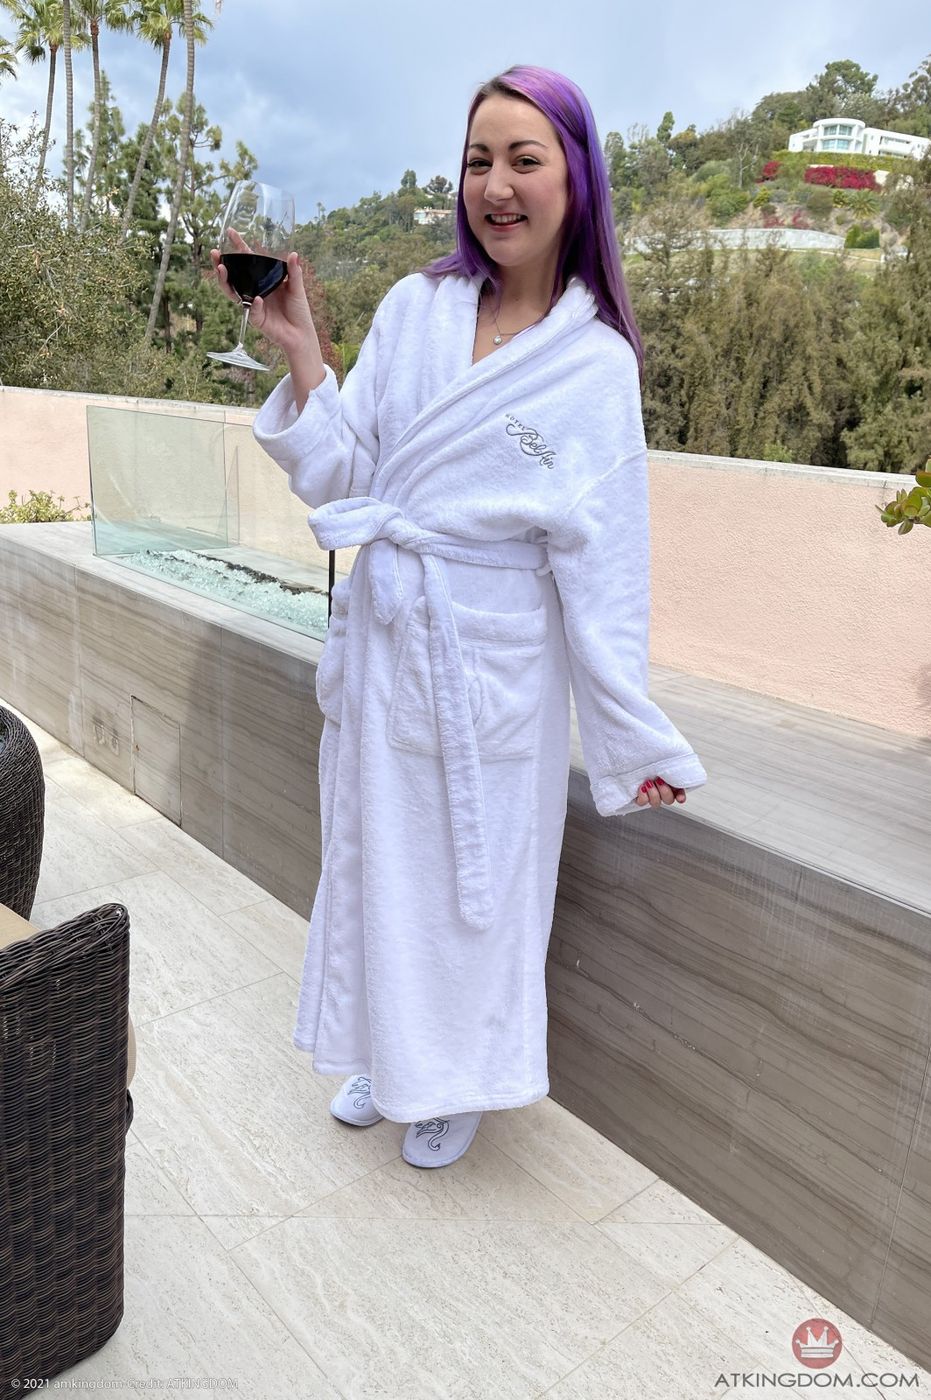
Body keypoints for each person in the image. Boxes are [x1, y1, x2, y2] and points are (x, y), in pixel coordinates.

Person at [213, 64, 708, 1171]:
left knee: (475, 894)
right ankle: (387, 1055)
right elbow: (353, 475)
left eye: (525, 159)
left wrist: (630, 735)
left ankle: (458, 1080)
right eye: (479, 160)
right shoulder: (415, 308)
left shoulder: (593, 365)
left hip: (492, 663)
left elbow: (605, 563)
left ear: (575, 180)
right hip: (392, 635)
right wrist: (303, 352)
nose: (497, 185)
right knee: (378, 865)